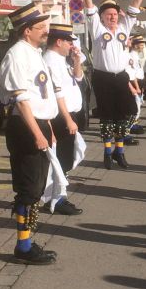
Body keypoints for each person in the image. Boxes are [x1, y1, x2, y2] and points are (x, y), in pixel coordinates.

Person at [0, 3, 58, 265]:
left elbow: (41, 96)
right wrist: (37, 133)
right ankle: (23, 246)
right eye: (41, 27)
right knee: (27, 187)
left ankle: (28, 241)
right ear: (26, 31)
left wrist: (49, 129)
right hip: (25, 126)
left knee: (36, 187)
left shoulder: (34, 52)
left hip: (38, 124)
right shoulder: (16, 55)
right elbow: (22, 101)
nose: (46, 31)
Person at [81, 0, 146, 170]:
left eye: (115, 14)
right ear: (101, 17)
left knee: (127, 113)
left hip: (121, 78)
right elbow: (89, 6)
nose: (113, 17)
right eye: (108, 14)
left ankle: (120, 150)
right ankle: (108, 153)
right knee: (107, 117)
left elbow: (135, 6)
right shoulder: (97, 29)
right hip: (103, 78)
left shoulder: (124, 28)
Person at [43, 23, 84, 215]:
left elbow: (78, 78)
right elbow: (57, 94)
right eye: (69, 41)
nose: (71, 45)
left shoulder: (61, 59)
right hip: (61, 116)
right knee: (59, 160)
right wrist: (67, 119)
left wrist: (76, 60)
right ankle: (56, 199)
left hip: (69, 115)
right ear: (59, 42)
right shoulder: (50, 61)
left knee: (65, 159)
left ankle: (58, 196)